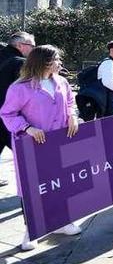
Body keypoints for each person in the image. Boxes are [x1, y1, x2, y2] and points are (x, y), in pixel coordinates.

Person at [1, 45, 81, 250]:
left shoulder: (62, 82)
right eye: (56, 60)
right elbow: (8, 114)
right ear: (44, 62)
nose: (60, 63)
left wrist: (73, 115)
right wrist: (27, 128)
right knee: (32, 187)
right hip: (33, 145)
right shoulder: (20, 88)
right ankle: (32, 230)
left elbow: (71, 101)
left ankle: (62, 222)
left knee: (62, 182)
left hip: (61, 141)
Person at [0, 32, 36, 187]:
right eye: (32, 46)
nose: (33, 50)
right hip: (9, 115)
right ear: (21, 46)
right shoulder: (20, 63)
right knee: (29, 154)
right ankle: (35, 188)